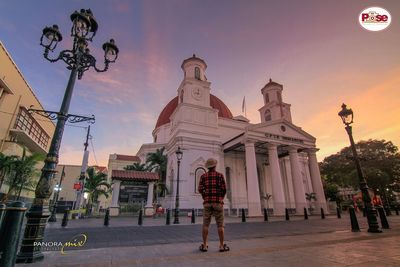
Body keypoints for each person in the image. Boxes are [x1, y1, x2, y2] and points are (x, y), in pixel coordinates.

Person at [198, 158, 230, 252]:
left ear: (208, 167)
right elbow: (224, 189)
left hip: (207, 203)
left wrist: (205, 197)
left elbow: (200, 189)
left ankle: (204, 245)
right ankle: (221, 245)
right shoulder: (220, 176)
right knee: (220, 225)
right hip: (218, 203)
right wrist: (220, 198)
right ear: (215, 166)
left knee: (205, 225)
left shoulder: (203, 176)